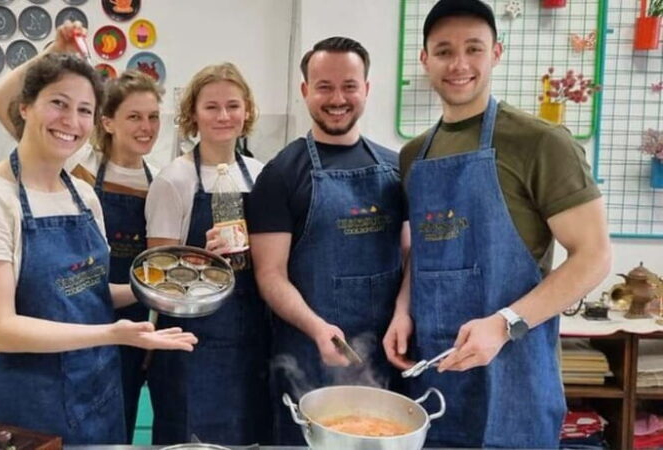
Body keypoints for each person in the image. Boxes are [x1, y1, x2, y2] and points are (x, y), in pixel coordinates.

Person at [383, 1, 612, 447]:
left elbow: (595, 257)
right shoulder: (414, 155)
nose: (460, 64)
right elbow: (426, 250)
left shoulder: (540, 143)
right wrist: (402, 309)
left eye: (474, 48)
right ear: (425, 59)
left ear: (496, 53)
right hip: (435, 377)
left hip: (515, 380)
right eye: (445, 51)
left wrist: (505, 323)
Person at [0, 52, 197, 445]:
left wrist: (157, 291)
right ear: (25, 107)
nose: (71, 121)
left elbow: (87, 293)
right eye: (58, 103)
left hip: (99, 395)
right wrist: (112, 334)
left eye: (84, 110)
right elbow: (0, 330)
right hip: (31, 409)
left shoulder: (82, 195)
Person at [0, 22, 163, 443]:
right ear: (107, 123)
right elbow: (2, 101)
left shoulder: (141, 184)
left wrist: (161, 293)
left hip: (111, 330)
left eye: (154, 117)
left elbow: (95, 285)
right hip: (46, 373)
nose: (145, 127)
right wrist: (54, 50)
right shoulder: (69, 164)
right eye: (133, 116)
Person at [247, 37, 409, 446]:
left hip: (388, 352)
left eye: (349, 86)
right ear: (305, 91)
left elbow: (413, 258)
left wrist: (404, 314)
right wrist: (318, 328)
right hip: (308, 354)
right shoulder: (281, 174)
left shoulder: (396, 168)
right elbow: (270, 276)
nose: (337, 98)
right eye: (324, 86)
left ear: (367, 89)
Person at [144, 62, 271, 445]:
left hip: (251, 339)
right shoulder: (174, 179)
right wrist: (200, 260)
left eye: (233, 106)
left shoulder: (262, 174)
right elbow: (156, 274)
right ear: (193, 115)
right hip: (191, 343)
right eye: (211, 107)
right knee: (190, 438)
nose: (223, 116)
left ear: (247, 111)